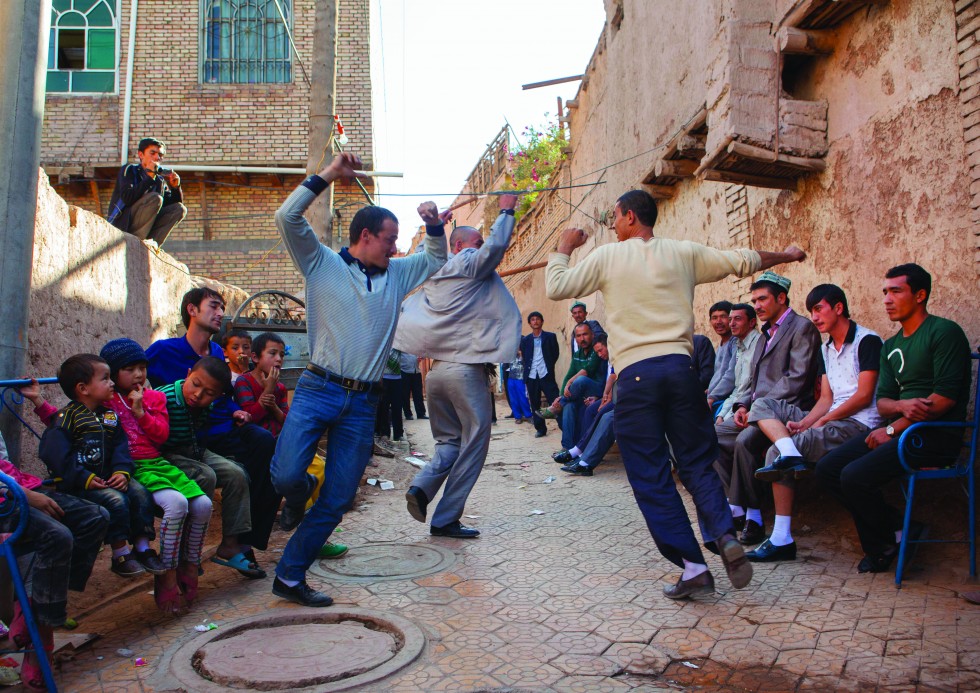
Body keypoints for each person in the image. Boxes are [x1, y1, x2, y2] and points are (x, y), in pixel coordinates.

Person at [546, 188, 807, 599]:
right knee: (698, 462)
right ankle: (723, 533)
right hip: (682, 372)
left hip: (636, 378)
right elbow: (742, 260)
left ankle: (693, 566)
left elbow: (557, 285)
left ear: (630, 216)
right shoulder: (683, 252)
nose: (613, 224)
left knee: (650, 475)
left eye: (615, 216)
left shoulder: (607, 258)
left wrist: (565, 245)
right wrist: (787, 255)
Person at [270, 152, 447, 606]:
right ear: (365, 236)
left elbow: (433, 257)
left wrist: (432, 224)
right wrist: (328, 174)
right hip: (317, 389)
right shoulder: (320, 263)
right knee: (288, 475)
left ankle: (290, 576)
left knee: (339, 498)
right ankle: (297, 493)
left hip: (363, 403)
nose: (394, 247)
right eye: (389, 240)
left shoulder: (397, 272)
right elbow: (286, 215)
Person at [815, 264, 972, 573]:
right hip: (902, 428)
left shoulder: (944, 332)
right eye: (885, 292)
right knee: (828, 469)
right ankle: (901, 530)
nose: (887, 299)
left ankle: (883, 546)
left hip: (937, 435)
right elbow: (884, 402)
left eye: (896, 291)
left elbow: (943, 400)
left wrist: (893, 426)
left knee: (854, 475)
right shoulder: (891, 346)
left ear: (920, 295)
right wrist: (899, 412)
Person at [395, 195, 521, 538]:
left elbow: (431, 248)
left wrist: (432, 227)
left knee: (449, 443)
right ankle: (446, 518)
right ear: (461, 245)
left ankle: (422, 487)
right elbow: (493, 250)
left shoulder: (433, 269)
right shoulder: (467, 261)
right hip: (465, 371)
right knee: (475, 445)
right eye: (474, 242)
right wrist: (506, 211)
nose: (480, 249)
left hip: (436, 374)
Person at [741, 285, 883, 562]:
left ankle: (782, 538)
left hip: (859, 424)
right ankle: (789, 451)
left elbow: (864, 395)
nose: (814, 317)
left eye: (819, 309)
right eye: (811, 312)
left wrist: (825, 420)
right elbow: (826, 398)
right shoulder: (827, 348)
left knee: (775, 454)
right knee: (761, 404)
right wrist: (805, 423)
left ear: (838, 308)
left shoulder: (868, 340)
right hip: (831, 420)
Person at [147, 287, 280, 577]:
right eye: (214, 306)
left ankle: (242, 541)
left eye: (222, 307)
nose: (221, 313)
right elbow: (132, 376)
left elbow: (224, 394)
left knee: (269, 450)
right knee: (240, 467)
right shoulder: (162, 351)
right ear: (192, 310)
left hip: (222, 427)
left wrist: (235, 409)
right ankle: (195, 550)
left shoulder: (218, 352)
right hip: (186, 436)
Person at [99, 338, 213, 612]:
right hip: (130, 467)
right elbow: (82, 427)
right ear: (113, 374)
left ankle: (189, 562)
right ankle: (168, 574)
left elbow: (161, 435)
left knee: (204, 504)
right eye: (130, 369)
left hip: (156, 463)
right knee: (177, 505)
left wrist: (140, 412)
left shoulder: (154, 398)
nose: (138, 375)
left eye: (142, 368)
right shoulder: (107, 403)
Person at [713, 272, 822, 547]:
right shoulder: (765, 334)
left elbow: (796, 379)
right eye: (755, 300)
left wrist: (759, 408)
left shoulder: (802, 328)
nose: (757, 305)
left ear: (781, 298)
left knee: (745, 441)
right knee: (707, 437)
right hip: (756, 411)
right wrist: (741, 406)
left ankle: (754, 517)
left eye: (763, 299)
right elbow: (754, 380)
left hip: (788, 410)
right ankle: (735, 505)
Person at [0, 430, 108, 690]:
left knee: (96, 516)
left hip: (16, 491)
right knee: (57, 536)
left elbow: (3, 462)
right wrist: (23, 495)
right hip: (10, 498)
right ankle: (39, 643)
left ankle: (30, 620)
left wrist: (23, 491)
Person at [38, 354, 160, 579]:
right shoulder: (67, 418)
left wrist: (122, 472)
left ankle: (142, 548)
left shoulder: (110, 417)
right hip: (79, 485)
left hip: (109, 478)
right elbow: (53, 455)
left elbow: (121, 448)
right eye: (105, 379)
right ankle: (120, 554)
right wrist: (82, 477)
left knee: (140, 492)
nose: (112, 382)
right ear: (83, 388)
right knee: (116, 500)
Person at [157, 356, 265, 579]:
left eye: (208, 393)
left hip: (195, 450)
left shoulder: (211, 404)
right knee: (205, 476)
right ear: (188, 375)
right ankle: (187, 551)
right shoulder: (162, 398)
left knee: (237, 474)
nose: (198, 395)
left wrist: (236, 412)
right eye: (195, 384)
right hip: (165, 455)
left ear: (217, 396)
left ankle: (230, 543)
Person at [538, 323, 607, 452]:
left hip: (597, 388)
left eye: (585, 334)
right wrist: (561, 394)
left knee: (580, 380)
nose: (582, 338)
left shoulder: (596, 351)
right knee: (569, 407)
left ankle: (560, 405)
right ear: (575, 338)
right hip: (581, 393)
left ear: (592, 335)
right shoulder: (577, 354)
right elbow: (569, 374)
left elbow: (588, 370)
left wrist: (569, 383)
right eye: (579, 336)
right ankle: (567, 447)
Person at [106, 137, 186, 246]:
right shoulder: (130, 170)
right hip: (124, 224)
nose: (157, 157)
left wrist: (175, 188)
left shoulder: (160, 180)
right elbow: (127, 198)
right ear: (141, 155)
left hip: (147, 229)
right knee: (155, 198)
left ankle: (151, 244)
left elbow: (172, 207)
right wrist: (149, 177)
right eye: (152, 153)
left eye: (160, 155)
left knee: (180, 209)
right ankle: (134, 241)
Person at [558, 333, 617, 476]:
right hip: (607, 396)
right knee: (588, 409)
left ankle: (580, 452)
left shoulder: (616, 358)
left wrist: (604, 395)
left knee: (603, 413)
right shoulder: (603, 360)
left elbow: (613, 377)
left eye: (601, 350)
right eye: (597, 352)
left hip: (618, 398)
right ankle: (580, 452)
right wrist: (598, 397)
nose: (600, 354)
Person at [235, 332, 289, 437]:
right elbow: (251, 418)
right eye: (273, 353)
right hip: (257, 440)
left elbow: (287, 421)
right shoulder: (244, 381)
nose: (279, 359)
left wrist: (274, 407)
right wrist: (269, 389)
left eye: (282, 355)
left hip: (280, 438)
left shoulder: (280, 387)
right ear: (255, 357)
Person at [715, 304, 762, 423]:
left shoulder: (760, 344)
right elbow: (738, 388)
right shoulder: (739, 347)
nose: (731, 324)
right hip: (735, 406)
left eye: (738, 319)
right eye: (730, 320)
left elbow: (753, 387)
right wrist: (721, 415)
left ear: (752, 322)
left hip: (751, 408)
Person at [520, 312, 560, 439]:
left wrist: (547, 366)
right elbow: (525, 357)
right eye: (532, 319)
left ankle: (563, 425)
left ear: (542, 321)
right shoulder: (525, 340)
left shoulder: (550, 337)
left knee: (555, 401)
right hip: (532, 376)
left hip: (546, 374)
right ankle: (540, 429)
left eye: (538, 319)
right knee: (535, 403)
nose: (535, 321)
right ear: (529, 323)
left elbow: (555, 354)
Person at [706, 301, 737, 412]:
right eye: (714, 318)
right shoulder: (722, 343)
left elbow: (730, 375)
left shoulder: (735, 342)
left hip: (727, 399)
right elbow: (718, 374)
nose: (718, 322)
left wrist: (712, 397)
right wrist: (709, 390)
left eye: (723, 317)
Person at [375, 349, 405, 443]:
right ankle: (384, 433)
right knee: (384, 407)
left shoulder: (400, 343)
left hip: (397, 379)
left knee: (397, 406)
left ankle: (398, 434)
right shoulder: (385, 342)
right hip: (384, 378)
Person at [399, 351, 427, 420]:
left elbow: (423, 353)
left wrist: (422, 356)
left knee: (418, 394)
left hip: (416, 371)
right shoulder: (402, 344)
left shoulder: (416, 345)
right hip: (404, 371)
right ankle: (408, 414)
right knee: (405, 394)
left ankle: (421, 414)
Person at [505, 355, 533, 423]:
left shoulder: (524, 355)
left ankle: (528, 415)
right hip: (511, 378)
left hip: (521, 379)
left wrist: (521, 355)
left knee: (523, 398)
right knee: (513, 399)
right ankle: (517, 417)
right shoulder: (509, 355)